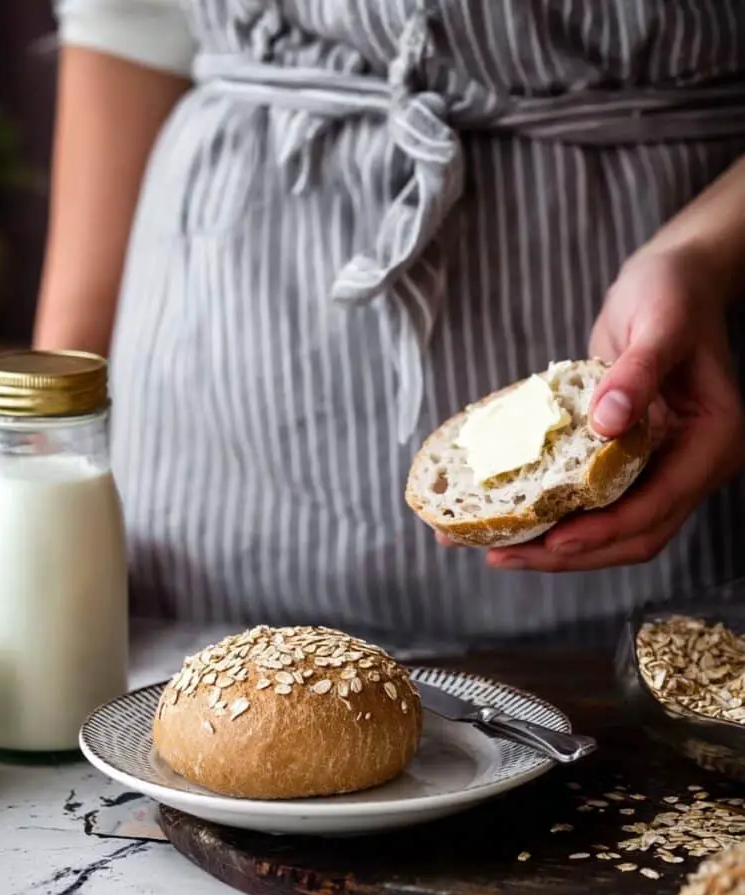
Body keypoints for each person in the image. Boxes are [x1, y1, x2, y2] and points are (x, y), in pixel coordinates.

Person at [37, 1, 745, 653]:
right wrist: (45, 453)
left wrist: (702, 254)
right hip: (212, 405)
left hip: (666, 336)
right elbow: (129, 27)